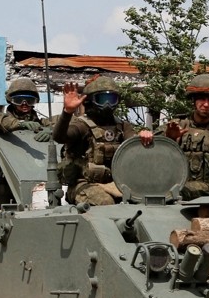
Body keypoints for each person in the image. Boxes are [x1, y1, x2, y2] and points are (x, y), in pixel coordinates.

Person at [52, 75, 152, 205]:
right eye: (102, 99)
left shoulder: (122, 126)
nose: (107, 105)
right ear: (90, 101)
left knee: (147, 200)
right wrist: (67, 112)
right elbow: (60, 137)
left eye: (112, 99)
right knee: (105, 202)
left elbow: (132, 145)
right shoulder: (81, 125)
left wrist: (143, 136)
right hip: (83, 185)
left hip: (117, 184)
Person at [0, 76, 54, 211]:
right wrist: (21, 125)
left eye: (29, 100)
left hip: (34, 185)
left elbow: (64, 125)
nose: (24, 104)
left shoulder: (40, 124)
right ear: (11, 100)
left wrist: (51, 131)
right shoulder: (1, 120)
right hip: (5, 186)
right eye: (18, 100)